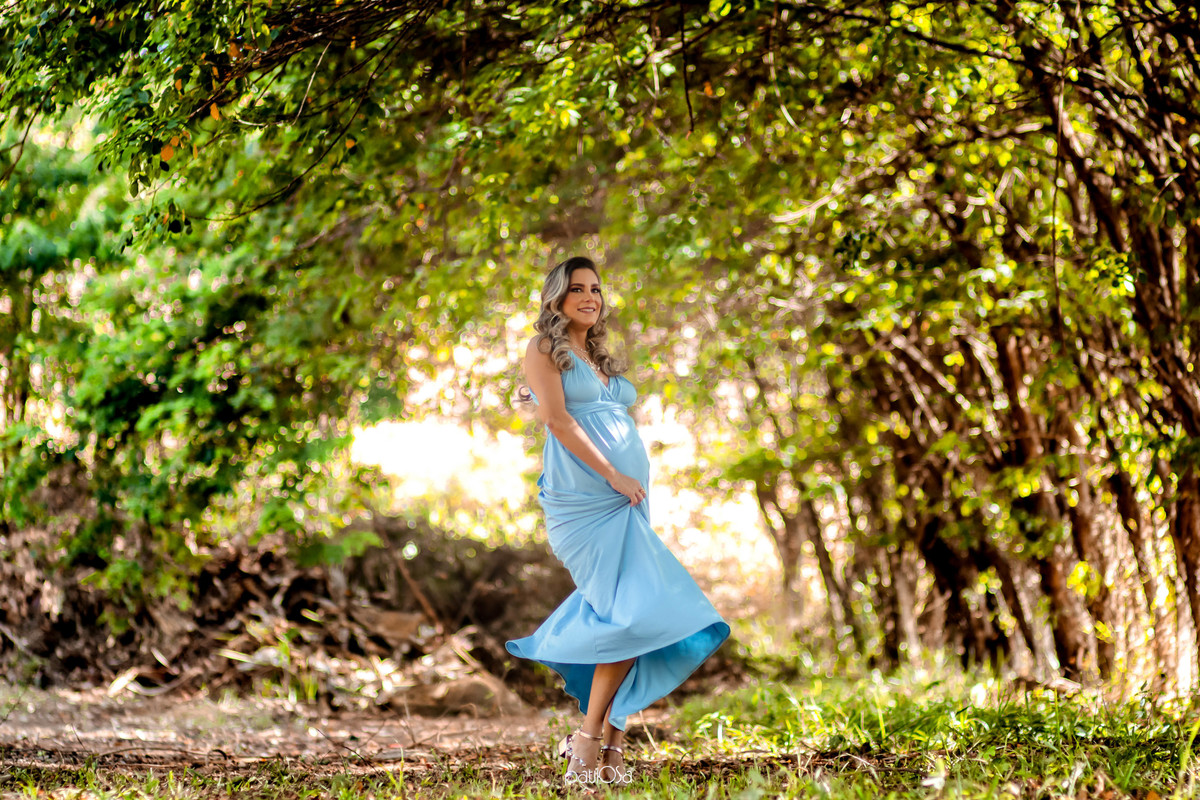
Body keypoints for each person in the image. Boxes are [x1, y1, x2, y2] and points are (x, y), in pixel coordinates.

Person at [506, 256, 730, 788]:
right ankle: (587, 743)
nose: (590, 297)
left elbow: (572, 408)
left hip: (627, 499)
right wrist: (612, 474)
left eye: (596, 289)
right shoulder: (543, 349)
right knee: (627, 615)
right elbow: (557, 419)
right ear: (557, 298)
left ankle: (612, 745)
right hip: (585, 497)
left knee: (632, 611)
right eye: (577, 289)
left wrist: (625, 478)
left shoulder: (595, 355)